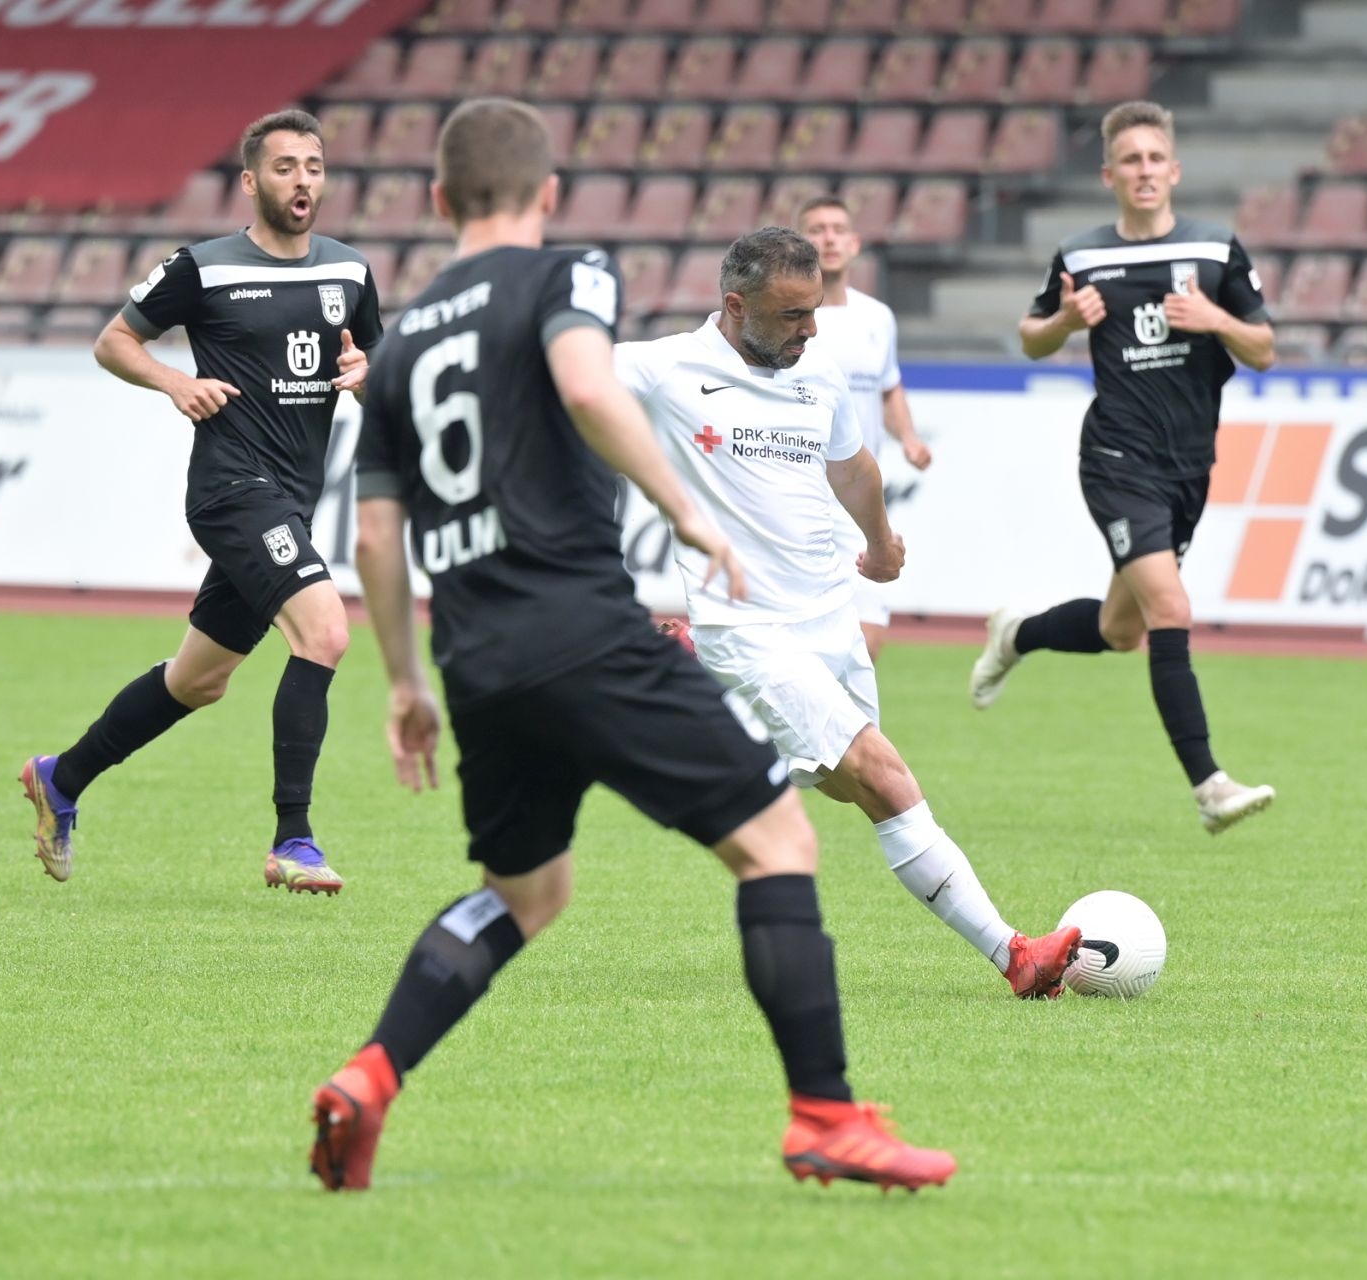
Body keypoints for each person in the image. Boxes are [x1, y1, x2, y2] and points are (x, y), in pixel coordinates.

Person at [312, 98, 953, 1195]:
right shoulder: (569, 274)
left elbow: (374, 535)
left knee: (525, 894)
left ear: (439, 198)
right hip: (581, 630)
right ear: (550, 193)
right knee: (779, 842)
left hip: (474, 657)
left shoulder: (402, 342)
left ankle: (368, 1077)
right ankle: (826, 1117)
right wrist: (686, 512)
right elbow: (582, 381)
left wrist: (405, 684)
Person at [621, 227, 1081, 1002]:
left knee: (850, 786)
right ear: (735, 306)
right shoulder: (664, 368)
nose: (811, 328)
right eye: (792, 314)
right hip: (748, 626)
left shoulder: (818, 368)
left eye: (814, 310)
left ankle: (701, 697)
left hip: (829, 616)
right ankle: (1016, 955)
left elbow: (854, 466)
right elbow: (553, 369)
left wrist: (880, 543)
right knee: (885, 776)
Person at [19, 109, 381, 894]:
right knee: (325, 631)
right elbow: (115, 341)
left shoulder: (349, 272)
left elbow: (373, 362)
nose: (302, 181)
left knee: (198, 681)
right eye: (284, 167)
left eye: (314, 166)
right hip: (230, 490)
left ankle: (61, 779)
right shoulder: (204, 267)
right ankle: (294, 840)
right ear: (251, 181)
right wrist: (175, 382)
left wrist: (367, 377)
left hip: (291, 499)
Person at [971, 100, 1276, 835]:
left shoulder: (1215, 250)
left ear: (1174, 170)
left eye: (1154, 158)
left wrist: (1216, 321)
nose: (1144, 170)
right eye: (1130, 160)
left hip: (1188, 465)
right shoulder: (1082, 255)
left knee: (1120, 629)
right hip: (1116, 456)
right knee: (1171, 610)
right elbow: (1032, 336)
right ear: (1109, 175)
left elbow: (1263, 348)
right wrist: (1064, 322)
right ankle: (1210, 786)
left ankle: (1018, 634)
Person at [795, 195, 933, 661]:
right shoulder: (786, 320)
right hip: (800, 495)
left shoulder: (877, 318)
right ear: (799, 244)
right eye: (817, 229)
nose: (829, 239)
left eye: (838, 229)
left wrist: (908, 437)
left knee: (866, 642)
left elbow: (888, 388)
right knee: (802, 642)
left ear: (854, 244)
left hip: (858, 498)